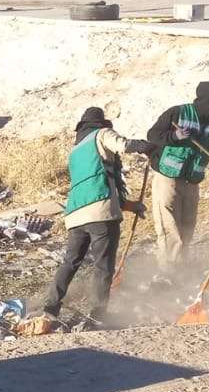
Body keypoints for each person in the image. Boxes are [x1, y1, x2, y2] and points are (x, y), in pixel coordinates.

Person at [39, 107, 155, 322]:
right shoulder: (101, 134)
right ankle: (98, 314)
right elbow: (123, 145)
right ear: (100, 123)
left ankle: (50, 308)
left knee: (70, 262)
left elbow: (96, 182)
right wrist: (146, 146)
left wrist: (132, 206)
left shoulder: (75, 151)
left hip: (75, 214)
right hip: (100, 214)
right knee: (103, 266)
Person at [143, 81, 209, 265]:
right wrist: (174, 137)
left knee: (187, 227)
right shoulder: (177, 113)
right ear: (208, 102)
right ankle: (168, 272)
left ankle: (183, 269)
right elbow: (153, 135)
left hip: (192, 181)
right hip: (168, 178)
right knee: (170, 228)